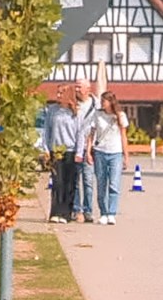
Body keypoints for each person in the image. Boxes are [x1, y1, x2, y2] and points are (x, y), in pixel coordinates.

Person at [87, 91, 130, 225]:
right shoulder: (97, 115)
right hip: (100, 152)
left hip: (115, 152)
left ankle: (112, 212)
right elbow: (91, 134)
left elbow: (123, 136)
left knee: (114, 184)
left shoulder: (120, 116)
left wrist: (126, 156)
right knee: (101, 183)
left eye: (104, 101)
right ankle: (103, 212)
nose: (102, 103)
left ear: (111, 102)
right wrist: (88, 152)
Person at [46, 87, 88, 223]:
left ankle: (65, 213)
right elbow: (48, 130)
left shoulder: (76, 113)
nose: (58, 95)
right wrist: (46, 148)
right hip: (56, 150)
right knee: (57, 182)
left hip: (71, 150)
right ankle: (55, 212)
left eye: (61, 93)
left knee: (69, 183)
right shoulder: (52, 110)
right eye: (57, 92)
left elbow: (80, 133)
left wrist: (79, 152)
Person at [71, 79, 99, 223]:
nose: (76, 90)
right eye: (75, 87)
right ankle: (76, 209)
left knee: (88, 180)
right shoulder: (72, 104)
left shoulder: (96, 105)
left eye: (79, 87)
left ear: (88, 88)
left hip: (89, 148)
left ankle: (88, 210)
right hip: (74, 147)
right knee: (75, 181)